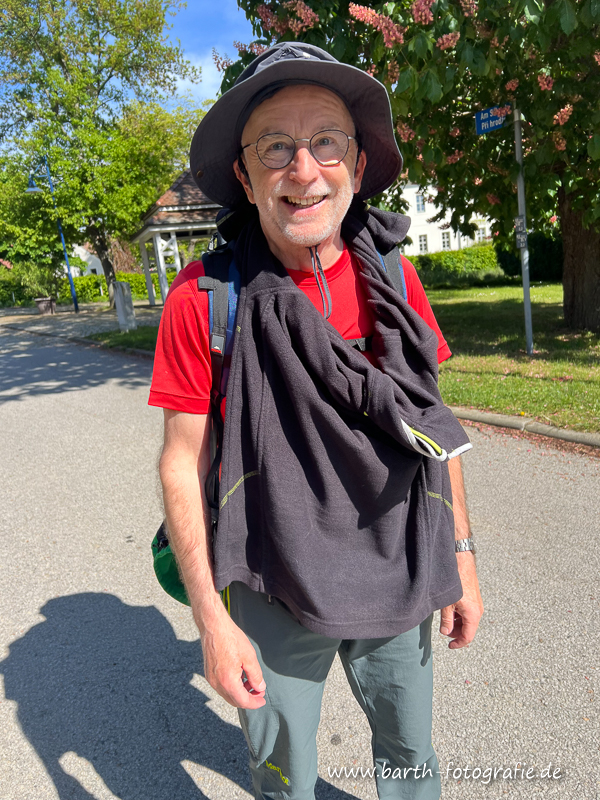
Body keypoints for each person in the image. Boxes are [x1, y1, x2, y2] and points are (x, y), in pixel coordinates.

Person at [149, 42, 483, 800]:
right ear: (244, 177)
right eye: (275, 146)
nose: (304, 170)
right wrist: (212, 622)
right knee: (283, 777)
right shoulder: (203, 300)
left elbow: (433, 425)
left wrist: (460, 557)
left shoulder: (394, 279)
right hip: (270, 578)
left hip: (399, 563)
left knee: (410, 756)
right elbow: (182, 463)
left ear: (357, 165)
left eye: (326, 141)